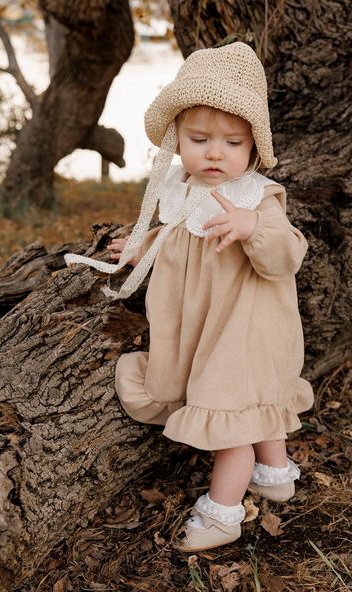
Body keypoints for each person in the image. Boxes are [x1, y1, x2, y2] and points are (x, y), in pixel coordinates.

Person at [65, 42, 313, 552]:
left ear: (253, 148)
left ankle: (224, 515)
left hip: (244, 329)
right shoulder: (180, 186)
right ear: (177, 138)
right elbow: (182, 238)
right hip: (205, 324)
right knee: (255, 404)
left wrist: (251, 229)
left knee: (233, 422)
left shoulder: (256, 198)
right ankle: (276, 473)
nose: (215, 153)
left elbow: (287, 255)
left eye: (232, 142)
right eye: (200, 139)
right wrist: (142, 248)